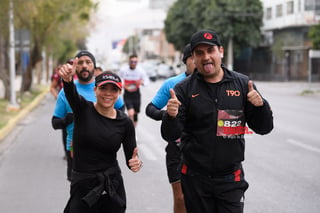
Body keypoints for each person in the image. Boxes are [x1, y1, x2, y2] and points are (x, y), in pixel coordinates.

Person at [161, 29, 274, 213]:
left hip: (231, 179)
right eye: (199, 53)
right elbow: (170, 134)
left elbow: (264, 128)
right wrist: (170, 116)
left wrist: (261, 107)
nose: (206, 57)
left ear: (220, 51)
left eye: (210, 50)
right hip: (195, 179)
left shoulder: (243, 84)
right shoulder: (183, 90)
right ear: (194, 58)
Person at [58, 60, 142, 213]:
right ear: (95, 90)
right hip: (83, 185)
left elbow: (132, 158)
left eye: (113, 89)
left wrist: (136, 163)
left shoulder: (125, 123)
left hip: (112, 186)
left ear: (119, 92)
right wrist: (68, 80)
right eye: (103, 88)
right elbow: (71, 93)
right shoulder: (83, 109)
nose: (108, 93)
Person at [51, 50, 125, 181]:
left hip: (102, 145)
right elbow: (55, 122)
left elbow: (121, 112)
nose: (84, 65)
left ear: (94, 67)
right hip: (75, 148)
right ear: (75, 67)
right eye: (80, 62)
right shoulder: (65, 91)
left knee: (105, 187)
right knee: (79, 190)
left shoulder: (104, 88)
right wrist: (68, 119)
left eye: (88, 62)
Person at [145, 44, 195, 213]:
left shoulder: (214, 84)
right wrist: (167, 115)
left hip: (202, 150)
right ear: (185, 61)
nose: (198, 60)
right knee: (180, 197)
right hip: (177, 149)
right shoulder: (172, 84)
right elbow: (150, 109)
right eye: (193, 58)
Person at [119, 54, 150, 127]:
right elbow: (119, 79)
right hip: (127, 94)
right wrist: (123, 85)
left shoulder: (140, 71)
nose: (133, 63)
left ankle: (133, 130)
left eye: (135, 62)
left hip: (136, 94)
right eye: (132, 61)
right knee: (130, 113)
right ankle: (131, 130)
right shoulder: (123, 70)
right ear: (129, 61)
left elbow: (146, 81)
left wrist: (141, 82)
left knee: (135, 115)